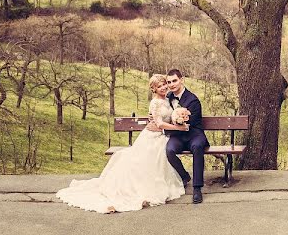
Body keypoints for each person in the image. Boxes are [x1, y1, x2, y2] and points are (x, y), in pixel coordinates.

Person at [56, 74, 188, 213]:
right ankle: (139, 190)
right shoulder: (155, 103)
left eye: (163, 84)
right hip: (153, 136)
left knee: (159, 159)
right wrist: (178, 127)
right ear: (153, 89)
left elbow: (166, 119)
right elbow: (160, 123)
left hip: (162, 136)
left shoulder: (168, 99)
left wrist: (177, 117)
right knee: (148, 160)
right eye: (159, 86)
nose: (163, 87)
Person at [156, 68, 209, 204]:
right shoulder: (168, 98)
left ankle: (197, 188)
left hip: (194, 134)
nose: (172, 84)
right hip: (178, 136)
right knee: (169, 150)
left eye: (174, 81)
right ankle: (184, 176)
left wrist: (178, 119)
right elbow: (162, 114)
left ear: (181, 80)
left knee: (197, 147)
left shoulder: (193, 100)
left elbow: (192, 121)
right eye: (169, 82)